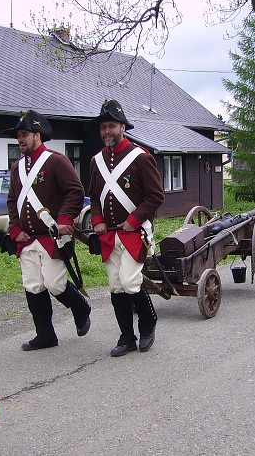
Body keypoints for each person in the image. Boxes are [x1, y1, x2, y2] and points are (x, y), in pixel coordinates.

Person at [3, 109, 90, 351]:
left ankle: (81, 306)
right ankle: (45, 335)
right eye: (18, 135)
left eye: (24, 134)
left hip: (52, 236)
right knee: (33, 285)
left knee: (54, 284)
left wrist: (64, 219)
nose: (20, 139)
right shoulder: (17, 167)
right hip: (26, 238)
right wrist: (15, 228)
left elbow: (75, 191)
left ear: (37, 135)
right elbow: (13, 201)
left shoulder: (56, 161)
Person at [86, 99, 165, 357]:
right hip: (109, 234)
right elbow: (95, 196)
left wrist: (133, 220)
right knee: (116, 286)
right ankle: (126, 337)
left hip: (135, 233)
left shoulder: (140, 157)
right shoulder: (96, 161)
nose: (107, 131)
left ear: (122, 127)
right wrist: (96, 219)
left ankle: (148, 323)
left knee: (130, 282)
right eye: (103, 127)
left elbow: (155, 196)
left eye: (111, 126)